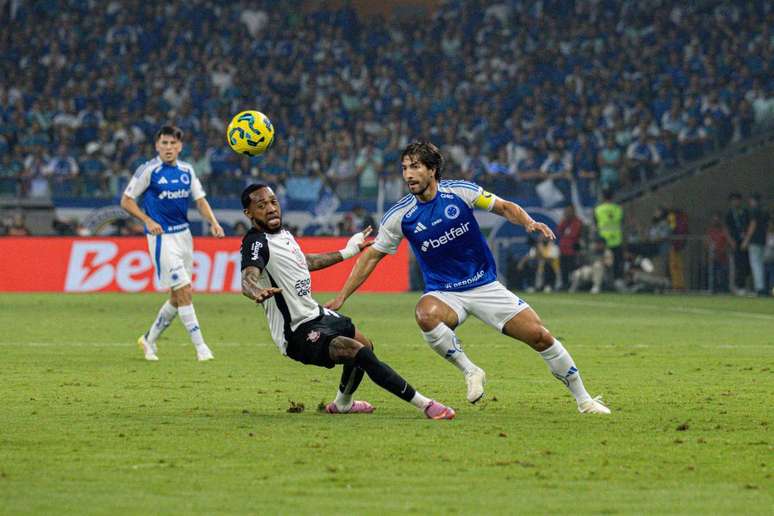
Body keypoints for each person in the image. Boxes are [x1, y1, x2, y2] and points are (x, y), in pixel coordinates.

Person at [326, 141, 610, 414]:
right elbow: (372, 256)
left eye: (415, 167)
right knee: (425, 314)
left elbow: (504, 206)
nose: (408, 175)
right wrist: (343, 295)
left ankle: (584, 400)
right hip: (444, 292)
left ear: (432, 169)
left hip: (484, 285)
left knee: (540, 336)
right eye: (404, 168)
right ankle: (471, 370)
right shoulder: (400, 215)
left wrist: (528, 222)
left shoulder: (460, 192)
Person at [239, 183, 455, 420]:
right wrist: (254, 290)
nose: (270, 209)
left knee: (365, 345)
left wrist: (348, 251)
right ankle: (425, 404)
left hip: (316, 314)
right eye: (261, 206)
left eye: (273, 202)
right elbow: (249, 276)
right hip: (296, 332)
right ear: (249, 213)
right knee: (356, 351)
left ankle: (342, 403)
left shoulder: (284, 234)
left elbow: (305, 262)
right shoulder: (256, 242)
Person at [121, 125, 224, 361]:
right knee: (185, 290)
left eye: (172, 144)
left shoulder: (187, 170)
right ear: (157, 145)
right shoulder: (149, 170)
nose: (168, 148)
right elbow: (126, 201)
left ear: (180, 146)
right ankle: (201, 347)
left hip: (184, 237)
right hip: (162, 238)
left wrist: (214, 223)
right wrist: (147, 220)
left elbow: (200, 200)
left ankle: (148, 339)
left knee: (178, 297)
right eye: (164, 143)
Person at [742, 193, 769, 296]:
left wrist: (746, 240)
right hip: (762, 240)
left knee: (755, 264)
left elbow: (753, 225)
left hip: (754, 240)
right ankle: (762, 286)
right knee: (761, 264)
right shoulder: (764, 211)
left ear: (752, 200)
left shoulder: (754, 211)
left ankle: (759, 287)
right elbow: (768, 226)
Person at [594, 189, 624, 282]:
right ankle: (618, 281)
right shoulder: (618, 209)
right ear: (613, 196)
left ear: (603, 197)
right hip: (616, 240)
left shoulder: (598, 209)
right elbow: (622, 223)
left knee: (603, 263)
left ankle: (604, 282)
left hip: (603, 242)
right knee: (617, 263)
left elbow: (595, 225)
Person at [725, 192, 750, 294]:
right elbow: (726, 228)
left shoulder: (745, 212)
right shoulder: (729, 214)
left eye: (737, 200)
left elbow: (749, 225)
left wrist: (747, 238)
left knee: (746, 265)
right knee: (737, 264)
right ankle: (738, 286)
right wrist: (731, 241)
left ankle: (744, 285)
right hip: (735, 241)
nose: (735, 202)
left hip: (745, 240)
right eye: (733, 200)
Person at [557, 205, 584, 288]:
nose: (567, 213)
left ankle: (573, 285)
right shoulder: (564, 222)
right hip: (563, 249)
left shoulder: (577, 222)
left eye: (569, 211)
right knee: (563, 269)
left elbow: (573, 234)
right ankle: (564, 284)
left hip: (572, 250)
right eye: (566, 211)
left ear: (573, 211)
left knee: (572, 269)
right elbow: (558, 231)